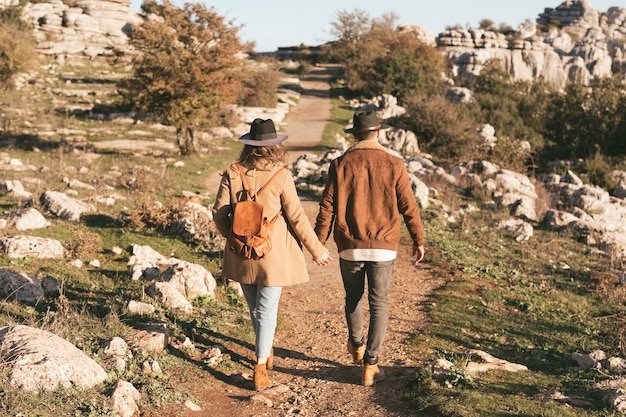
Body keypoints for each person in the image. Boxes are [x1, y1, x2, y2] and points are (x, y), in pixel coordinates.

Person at [213, 118, 331, 391]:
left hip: (240, 252)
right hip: (272, 255)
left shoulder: (233, 171)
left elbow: (219, 213)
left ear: (249, 144)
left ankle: (264, 351)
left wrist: (231, 236)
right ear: (274, 146)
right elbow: (297, 217)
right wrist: (317, 250)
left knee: (256, 309)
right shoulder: (281, 175)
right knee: (266, 310)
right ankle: (260, 367)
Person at [314, 110, 426, 387]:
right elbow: (408, 207)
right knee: (380, 305)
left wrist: (318, 242)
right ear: (378, 133)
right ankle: (371, 365)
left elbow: (327, 206)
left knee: (353, 298)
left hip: (349, 245)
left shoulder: (339, 164)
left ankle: (357, 344)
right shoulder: (394, 163)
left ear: (355, 135)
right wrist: (418, 239)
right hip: (384, 247)